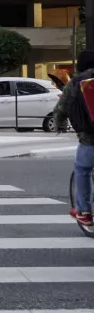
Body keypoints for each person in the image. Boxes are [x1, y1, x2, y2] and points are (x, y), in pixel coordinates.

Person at [54, 50, 94, 227]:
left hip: (89, 139)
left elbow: (60, 110)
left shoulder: (76, 83)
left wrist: (60, 125)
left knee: (82, 170)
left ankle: (84, 211)